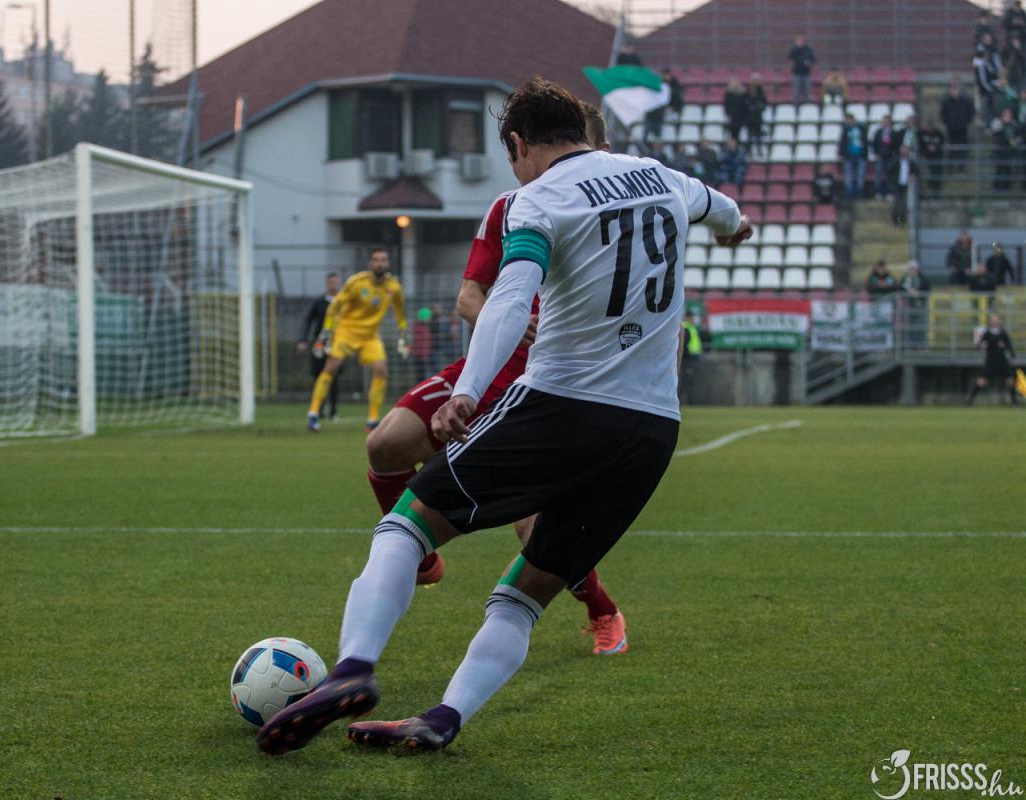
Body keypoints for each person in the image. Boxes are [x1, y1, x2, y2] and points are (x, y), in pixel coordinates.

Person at [256, 75, 749, 756]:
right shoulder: (662, 177)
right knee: (524, 595)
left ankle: (353, 669)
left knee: (406, 524)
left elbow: (512, 298)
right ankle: (443, 718)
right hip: (651, 430)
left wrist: (468, 391)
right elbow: (725, 211)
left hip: (562, 405)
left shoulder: (540, 198)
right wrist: (735, 229)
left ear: (519, 143)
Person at [364, 102, 632, 652]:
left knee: (536, 531)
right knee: (385, 444)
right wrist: (504, 323)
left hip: (548, 390)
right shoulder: (509, 208)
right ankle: (420, 558)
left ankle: (602, 609)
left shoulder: (616, 216)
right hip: (485, 372)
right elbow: (469, 296)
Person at [306, 248, 407, 432]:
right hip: (347, 331)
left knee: (380, 369)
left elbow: (400, 310)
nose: (380, 263)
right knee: (331, 367)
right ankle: (313, 413)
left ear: (388, 263)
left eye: (383, 260)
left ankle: (373, 420)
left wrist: (403, 333)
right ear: (370, 263)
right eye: (376, 260)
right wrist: (327, 330)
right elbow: (335, 306)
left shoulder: (393, 287)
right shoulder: (356, 282)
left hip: (370, 336)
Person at [298, 272, 343, 420]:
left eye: (335, 283)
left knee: (334, 377)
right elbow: (308, 321)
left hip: (338, 344)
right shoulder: (319, 303)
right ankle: (319, 409)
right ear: (326, 284)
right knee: (319, 376)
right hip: (320, 344)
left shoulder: (344, 302)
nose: (333, 285)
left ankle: (334, 410)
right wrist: (303, 340)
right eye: (331, 283)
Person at [965, 313, 1019, 405]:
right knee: (981, 381)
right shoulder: (987, 333)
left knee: (1011, 379)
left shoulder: (1003, 333)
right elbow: (979, 344)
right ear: (990, 322)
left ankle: (1014, 402)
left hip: (1002, 361)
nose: (995, 322)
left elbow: (1009, 345)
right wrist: (981, 346)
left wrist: (1012, 355)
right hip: (990, 361)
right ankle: (969, 401)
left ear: (999, 321)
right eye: (993, 320)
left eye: (996, 320)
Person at [940, 77, 977, 164]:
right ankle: (951, 165)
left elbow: (971, 112)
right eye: (953, 89)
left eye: (956, 89)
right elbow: (942, 114)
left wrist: (965, 122)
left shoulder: (966, 101)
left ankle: (962, 165)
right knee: (951, 147)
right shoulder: (946, 101)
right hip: (951, 128)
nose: (954, 91)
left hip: (962, 128)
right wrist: (948, 123)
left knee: (962, 147)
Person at [974, 35, 1005, 127]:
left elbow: (994, 74)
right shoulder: (980, 64)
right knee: (987, 112)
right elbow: (982, 80)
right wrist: (991, 89)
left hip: (992, 91)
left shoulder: (988, 62)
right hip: (986, 92)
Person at [990, 107, 1021, 191]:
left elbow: (1017, 136)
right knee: (999, 170)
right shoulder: (998, 124)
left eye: (1009, 115)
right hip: (999, 151)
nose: (1007, 117)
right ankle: (997, 187)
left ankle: (1007, 187)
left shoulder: (1014, 125)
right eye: (1005, 115)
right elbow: (995, 137)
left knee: (1008, 170)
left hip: (1010, 151)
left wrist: (1015, 142)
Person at [870, 115, 900, 200]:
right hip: (880, 157)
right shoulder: (878, 132)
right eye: (884, 121)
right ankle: (878, 192)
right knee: (878, 175)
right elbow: (874, 143)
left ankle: (889, 192)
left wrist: (894, 154)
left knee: (890, 175)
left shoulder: (894, 133)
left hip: (890, 157)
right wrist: (876, 154)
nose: (886, 123)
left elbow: (897, 145)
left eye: (887, 121)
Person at [839, 113, 868, 198]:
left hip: (860, 155)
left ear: (853, 119)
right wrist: (841, 153)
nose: (849, 122)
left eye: (850, 120)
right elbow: (843, 142)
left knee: (860, 174)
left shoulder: (861, 129)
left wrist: (865, 153)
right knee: (848, 174)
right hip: (849, 155)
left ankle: (860, 191)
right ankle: (849, 192)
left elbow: (865, 141)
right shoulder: (846, 130)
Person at [679, 309, 702, 405]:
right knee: (685, 381)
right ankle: (684, 401)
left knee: (689, 381)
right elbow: (683, 345)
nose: (693, 319)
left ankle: (687, 401)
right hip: (686, 359)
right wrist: (687, 355)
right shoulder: (686, 327)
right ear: (687, 317)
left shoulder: (691, 327)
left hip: (692, 358)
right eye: (692, 317)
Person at [918, 119, 947, 193]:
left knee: (938, 171)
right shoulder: (922, 134)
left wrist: (935, 147)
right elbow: (921, 144)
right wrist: (927, 149)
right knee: (931, 171)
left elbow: (942, 141)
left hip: (938, 155)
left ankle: (937, 188)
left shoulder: (938, 133)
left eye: (926, 126)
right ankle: (930, 187)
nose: (924, 127)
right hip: (928, 156)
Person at [891, 145, 918, 225]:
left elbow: (916, 172)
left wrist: (913, 176)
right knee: (897, 204)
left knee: (904, 204)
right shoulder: (896, 161)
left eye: (906, 151)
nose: (904, 153)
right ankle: (896, 221)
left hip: (907, 186)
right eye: (903, 151)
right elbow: (890, 172)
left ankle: (902, 221)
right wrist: (893, 182)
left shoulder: (911, 163)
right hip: (897, 185)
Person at [409, 307, 436, 381]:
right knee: (421, 375)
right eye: (429, 318)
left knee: (422, 375)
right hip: (421, 356)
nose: (430, 320)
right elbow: (423, 343)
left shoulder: (421, 327)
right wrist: (425, 355)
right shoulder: (421, 329)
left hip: (423, 355)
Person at [788, 34, 816, 105]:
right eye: (798, 40)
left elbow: (813, 59)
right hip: (796, 73)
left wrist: (808, 62)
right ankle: (796, 107)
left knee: (807, 92)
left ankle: (807, 107)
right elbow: (790, 57)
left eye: (801, 40)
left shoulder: (808, 50)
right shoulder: (794, 49)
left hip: (806, 74)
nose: (800, 42)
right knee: (796, 93)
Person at [745, 74, 768, 156]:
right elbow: (745, 103)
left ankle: (759, 150)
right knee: (750, 135)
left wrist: (760, 107)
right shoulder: (748, 91)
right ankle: (749, 150)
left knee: (758, 135)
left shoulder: (761, 91)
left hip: (758, 116)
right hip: (750, 117)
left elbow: (764, 102)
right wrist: (751, 107)